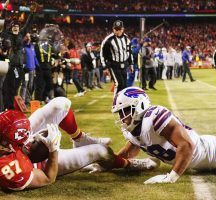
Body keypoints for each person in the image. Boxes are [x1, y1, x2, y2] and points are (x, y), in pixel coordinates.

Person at [108, 86, 216, 184]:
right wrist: (102, 164)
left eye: (124, 112)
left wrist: (171, 177)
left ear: (139, 106)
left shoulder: (154, 117)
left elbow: (186, 145)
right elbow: (127, 153)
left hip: (214, 155)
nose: (122, 118)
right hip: (201, 160)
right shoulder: (135, 130)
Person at [0, 97, 159, 190]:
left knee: (60, 103)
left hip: (13, 143)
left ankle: (79, 138)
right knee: (100, 151)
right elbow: (48, 178)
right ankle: (128, 164)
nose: (29, 136)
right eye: (24, 138)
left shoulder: (8, 137)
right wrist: (53, 149)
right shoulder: (9, 167)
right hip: (38, 164)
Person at [100, 20, 133, 96]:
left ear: (123, 29)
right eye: (116, 29)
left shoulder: (126, 38)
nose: (117, 31)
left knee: (124, 85)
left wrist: (131, 64)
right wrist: (105, 67)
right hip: (114, 65)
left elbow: (129, 51)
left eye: (119, 29)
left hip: (124, 65)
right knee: (119, 84)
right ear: (113, 29)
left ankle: (123, 104)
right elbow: (102, 53)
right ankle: (115, 105)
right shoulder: (109, 39)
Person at [20, 33, 39, 106]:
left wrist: (37, 66)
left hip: (32, 69)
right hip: (25, 70)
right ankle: (22, 101)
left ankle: (27, 101)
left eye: (29, 36)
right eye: (26, 36)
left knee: (30, 86)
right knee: (24, 85)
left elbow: (34, 57)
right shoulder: (22, 47)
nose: (28, 38)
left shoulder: (32, 46)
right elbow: (21, 58)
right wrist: (23, 66)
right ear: (23, 38)